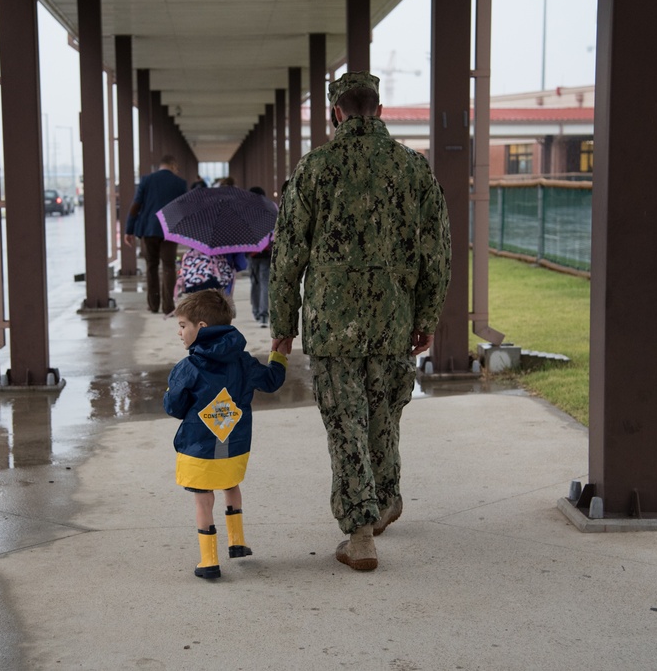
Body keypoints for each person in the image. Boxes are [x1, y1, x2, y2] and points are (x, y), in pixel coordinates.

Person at [268, 71, 452, 572]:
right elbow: (437, 252)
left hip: (331, 324)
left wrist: (282, 327)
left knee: (346, 422)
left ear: (336, 112)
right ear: (379, 109)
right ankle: (385, 499)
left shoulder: (314, 169)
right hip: (393, 319)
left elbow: (286, 257)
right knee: (385, 414)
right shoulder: (414, 170)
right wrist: (427, 316)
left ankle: (360, 532)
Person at [164, 289, 287, 579]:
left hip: (199, 448)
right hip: (234, 444)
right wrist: (278, 355)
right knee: (231, 483)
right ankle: (237, 542)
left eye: (183, 326)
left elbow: (175, 408)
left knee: (203, 499)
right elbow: (270, 381)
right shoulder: (243, 362)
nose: (179, 332)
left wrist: (171, 390)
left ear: (201, 328)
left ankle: (209, 561)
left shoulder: (188, 367)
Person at [125, 155, 189, 315]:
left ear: (160, 166)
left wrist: (129, 229)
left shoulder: (146, 180)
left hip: (149, 229)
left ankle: (153, 304)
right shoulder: (180, 183)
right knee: (168, 266)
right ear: (173, 166)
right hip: (170, 230)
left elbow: (136, 205)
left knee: (151, 266)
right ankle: (168, 307)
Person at [247, 186, 273, 328]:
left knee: (254, 283)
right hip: (266, 253)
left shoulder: (246, 211)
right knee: (264, 283)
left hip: (251, 253)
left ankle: (256, 312)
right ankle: (263, 315)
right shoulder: (269, 210)